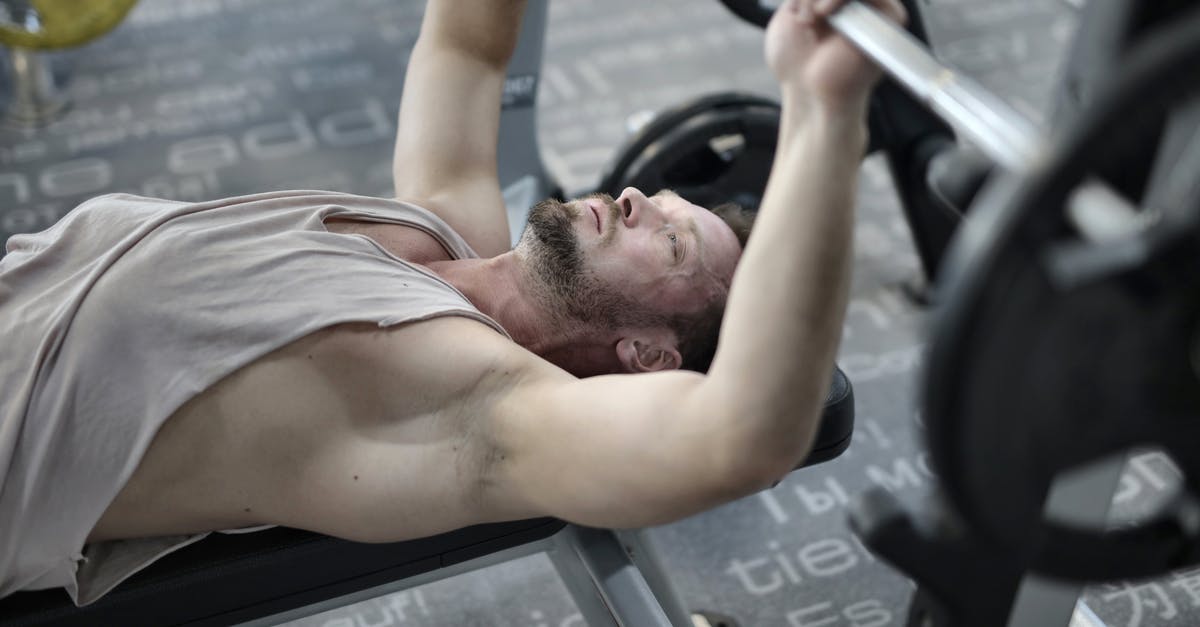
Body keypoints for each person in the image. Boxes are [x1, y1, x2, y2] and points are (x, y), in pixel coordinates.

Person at [0, 0, 904, 606]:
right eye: (660, 201)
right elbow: (467, 43)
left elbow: (739, 434)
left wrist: (825, 109)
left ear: (647, 355)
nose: (636, 197)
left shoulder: (475, 406)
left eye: (668, 238)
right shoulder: (441, 222)